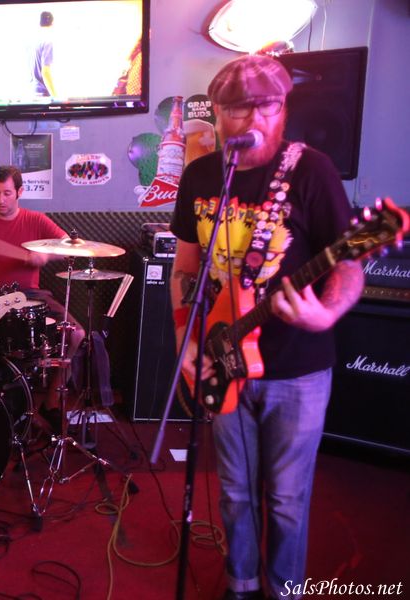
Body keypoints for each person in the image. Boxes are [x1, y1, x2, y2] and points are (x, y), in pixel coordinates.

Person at [169, 55, 364, 600]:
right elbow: (184, 269)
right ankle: (241, 584)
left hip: (297, 369)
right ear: (217, 113)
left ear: (284, 109)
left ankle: (284, 590)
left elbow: (349, 264)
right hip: (221, 354)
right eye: (238, 109)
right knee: (234, 492)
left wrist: (325, 313)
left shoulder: (311, 171)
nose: (254, 119)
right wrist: (186, 340)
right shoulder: (200, 176)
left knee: (285, 499)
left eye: (269, 106)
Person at [0, 165, 84, 430]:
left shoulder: (36, 220)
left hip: (30, 296)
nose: (1, 200)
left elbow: (71, 248)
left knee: (76, 334)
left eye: (7, 193)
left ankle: (51, 403)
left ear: (20, 192)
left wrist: (46, 255)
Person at [32, 11, 56, 97]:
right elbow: (45, 72)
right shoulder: (48, 41)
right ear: (52, 23)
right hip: (44, 94)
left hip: (34, 91)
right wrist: (55, 97)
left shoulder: (35, 40)